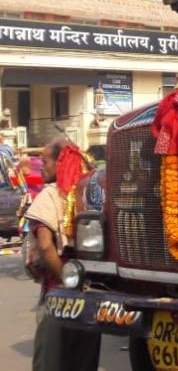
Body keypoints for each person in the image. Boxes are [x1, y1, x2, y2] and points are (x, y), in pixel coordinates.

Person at [24, 140, 101, 371]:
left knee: (51, 361)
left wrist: (68, 282)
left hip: (58, 293)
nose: (41, 167)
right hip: (90, 295)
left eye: (45, 162)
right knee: (83, 361)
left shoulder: (48, 196)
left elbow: (46, 247)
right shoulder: (89, 195)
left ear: (60, 163)